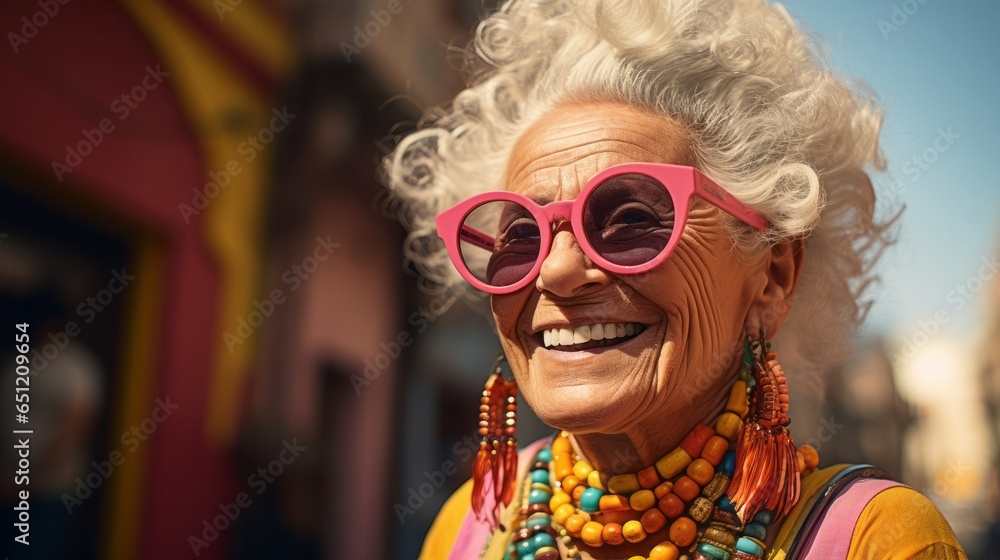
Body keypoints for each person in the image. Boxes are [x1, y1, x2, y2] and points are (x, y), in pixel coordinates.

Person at [385, 0, 967, 558]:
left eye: (632, 219)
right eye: (519, 236)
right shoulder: (467, 530)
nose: (556, 271)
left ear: (773, 275)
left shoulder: (880, 540)